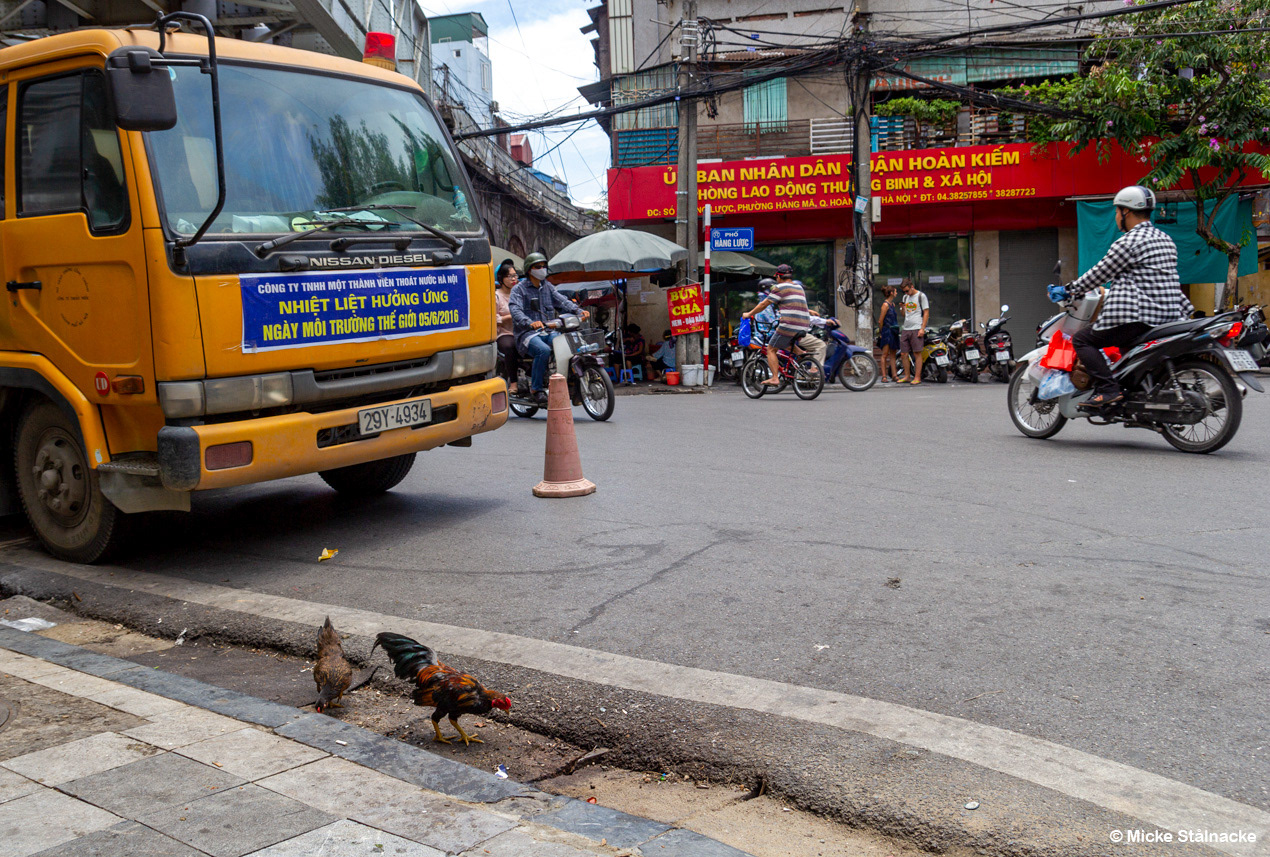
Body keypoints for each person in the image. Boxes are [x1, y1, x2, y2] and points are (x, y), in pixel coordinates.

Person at [1053, 185, 1194, 409]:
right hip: (1171, 316)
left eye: (1117, 211)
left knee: (1083, 340)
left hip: (1138, 318)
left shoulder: (1128, 242)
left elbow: (1099, 274)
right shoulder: (1165, 239)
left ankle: (1108, 390)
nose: (1116, 216)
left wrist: (1070, 289)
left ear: (1126, 212)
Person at [509, 252, 589, 405]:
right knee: (543, 350)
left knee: (568, 345)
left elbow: (563, 301)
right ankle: (536, 389)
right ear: (529, 270)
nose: (542, 269)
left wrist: (578, 311)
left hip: (549, 331)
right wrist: (530, 322)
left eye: (544, 266)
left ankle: (573, 385)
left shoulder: (547, 286)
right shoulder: (519, 289)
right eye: (537, 267)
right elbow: (515, 310)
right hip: (528, 334)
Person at [741, 263, 812, 387]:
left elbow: (764, 304)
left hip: (789, 325)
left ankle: (774, 378)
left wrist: (749, 314)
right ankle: (802, 354)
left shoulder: (779, 288)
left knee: (771, 349)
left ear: (778, 277)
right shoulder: (799, 287)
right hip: (804, 324)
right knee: (785, 343)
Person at [897, 277, 929, 385]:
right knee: (903, 353)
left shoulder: (921, 296)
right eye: (904, 291)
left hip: (916, 327)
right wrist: (902, 308)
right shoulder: (905, 297)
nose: (906, 293)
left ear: (912, 287)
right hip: (906, 327)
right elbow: (904, 314)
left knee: (917, 353)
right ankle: (907, 376)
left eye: (907, 290)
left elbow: (926, 312)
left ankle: (917, 377)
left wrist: (922, 328)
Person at [494, 260, 520, 394]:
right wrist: (511, 316)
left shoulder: (519, 294)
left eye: (515, 276)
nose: (514, 279)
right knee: (510, 348)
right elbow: (493, 319)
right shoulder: (496, 296)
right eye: (510, 276)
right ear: (501, 279)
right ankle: (514, 383)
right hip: (504, 334)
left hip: (520, 332)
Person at [876, 284, 900, 383]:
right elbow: (880, 320)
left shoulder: (892, 305)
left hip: (893, 331)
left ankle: (894, 375)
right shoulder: (885, 305)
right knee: (885, 354)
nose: (896, 293)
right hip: (887, 331)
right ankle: (884, 376)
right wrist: (881, 332)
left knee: (893, 354)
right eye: (895, 291)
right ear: (891, 293)